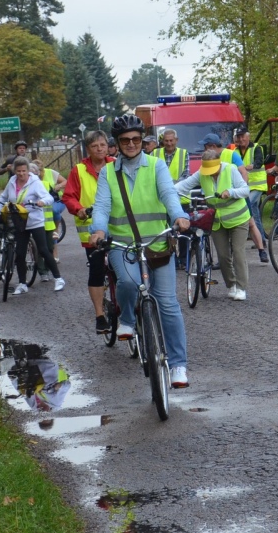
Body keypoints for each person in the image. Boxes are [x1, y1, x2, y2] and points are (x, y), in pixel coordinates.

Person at [89, 115, 193, 387]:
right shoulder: (108, 173)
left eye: (136, 139)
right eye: (125, 140)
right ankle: (125, 319)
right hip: (123, 246)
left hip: (158, 245)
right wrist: (98, 230)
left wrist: (179, 216)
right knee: (128, 281)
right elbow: (101, 206)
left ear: (143, 140)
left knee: (168, 304)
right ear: (118, 144)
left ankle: (179, 366)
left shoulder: (157, 166)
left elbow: (169, 194)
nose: (132, 144)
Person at [175, 148, 252, 300]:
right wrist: (168, 192)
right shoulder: (202, 173)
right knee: (223, 256)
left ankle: (241, 288)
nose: (210, 173)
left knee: (237, 252)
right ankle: (231, 285)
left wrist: (231, 192)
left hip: (238, 218)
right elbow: (183, 186)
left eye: (213, 170)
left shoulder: (230, 170)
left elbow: (245, 190)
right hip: (217, 221)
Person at [62, 130, 116, 332]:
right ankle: (100, 315)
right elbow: (68, 196)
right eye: (95, 146)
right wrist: (79, 209)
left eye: (103, 145)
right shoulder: (78, 170)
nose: (100, 149)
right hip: (91, 234)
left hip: (117, 227)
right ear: (88, 149)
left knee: (123, 272)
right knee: (96, 271)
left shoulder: (115, 165)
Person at [0, 157, 64, 294]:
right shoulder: (12, 182)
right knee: (20, 254)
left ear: (28, 170)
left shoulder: (35, 182)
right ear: (14, 171)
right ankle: (22, 283)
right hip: (19, 221)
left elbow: (49, 198)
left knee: (44, 250)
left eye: (24, 171)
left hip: (35, 221)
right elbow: (3, 198)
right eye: (18, 171)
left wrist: (42, 202)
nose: (21, 174)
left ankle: (58, 279)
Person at [234, 126, 271, 263]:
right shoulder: (235, 151)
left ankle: (259, 239)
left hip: (257, 185)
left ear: (248, 136)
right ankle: (261, 240)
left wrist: (251, 166)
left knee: (250, 205)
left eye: (243, 136)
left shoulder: (256, 148)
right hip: (243, 186)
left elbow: (259, 162)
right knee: (253, 212)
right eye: (239, 136)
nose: (241, 139)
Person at [31, 160, 67, 281]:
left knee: (49, 248)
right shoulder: (26, 187)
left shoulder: (46, 184)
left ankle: (47, 266)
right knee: (40, 249)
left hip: (48, 223)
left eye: (35, 173)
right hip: (35, 223)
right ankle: (43, 272)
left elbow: (54, 199)